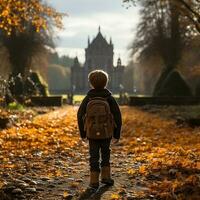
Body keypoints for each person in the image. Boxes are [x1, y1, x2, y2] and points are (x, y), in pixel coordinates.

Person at [77, 70, 122, 190]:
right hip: (106, 131)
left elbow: (80, 114)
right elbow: (117, 115)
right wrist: (117, 134)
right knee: (106, 153)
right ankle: (106, 177)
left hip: (91, 132)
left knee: (93, 156)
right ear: (106, 83)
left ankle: (94, 180)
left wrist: (83, 133)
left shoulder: (88, 98)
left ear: (91, 83)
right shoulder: (109, 98)